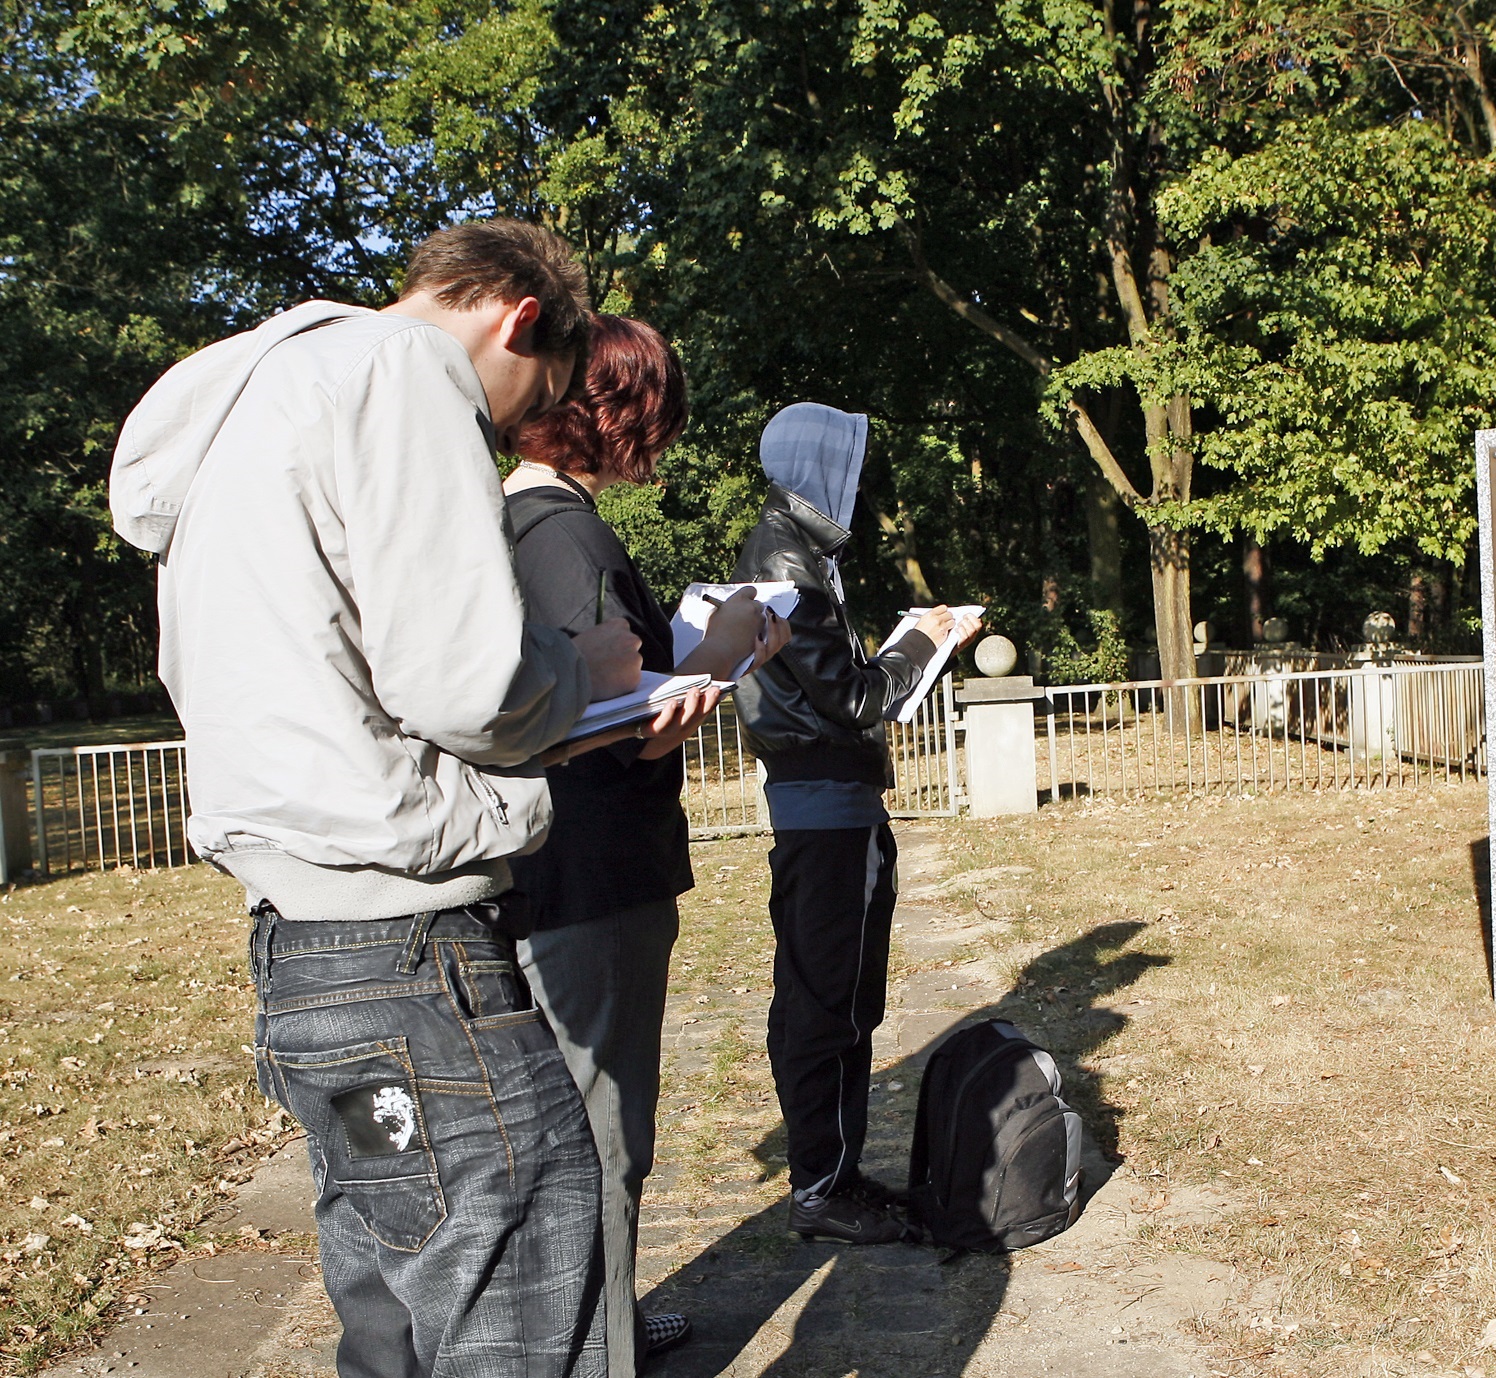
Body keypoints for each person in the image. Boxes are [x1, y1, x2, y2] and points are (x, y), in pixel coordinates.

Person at [109, 221, 644, 1378]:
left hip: (305, 965)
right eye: (531, 397)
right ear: (518, 321)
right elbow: (467, 679)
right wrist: (588, 668)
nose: (507, 428)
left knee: (393, 1298)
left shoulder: (256, 400)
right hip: (413, 961)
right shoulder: (404, 376)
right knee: (522, 1275)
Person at [502, 314, 788, 1374]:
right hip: (590, 882)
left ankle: (610, 1318)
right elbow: (597, 723)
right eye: (655, 412)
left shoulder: (534, 524)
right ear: (609, 408)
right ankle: (600, 1350)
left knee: (587, 1124)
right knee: (601, 1133)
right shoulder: (558, 532)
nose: (662, 438)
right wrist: (716, 652)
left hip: (569, 877)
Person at [731, 403, 979, 1244]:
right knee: (824, 1002)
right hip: (824, 815)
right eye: (847, 463)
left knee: (837, 999)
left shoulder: (798, 551)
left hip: (833, 809)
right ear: (815, 467)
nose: (856, 481)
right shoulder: (785, 559)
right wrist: (922, 643)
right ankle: (820, 1189)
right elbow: (852, 697)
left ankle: (831, 1176)